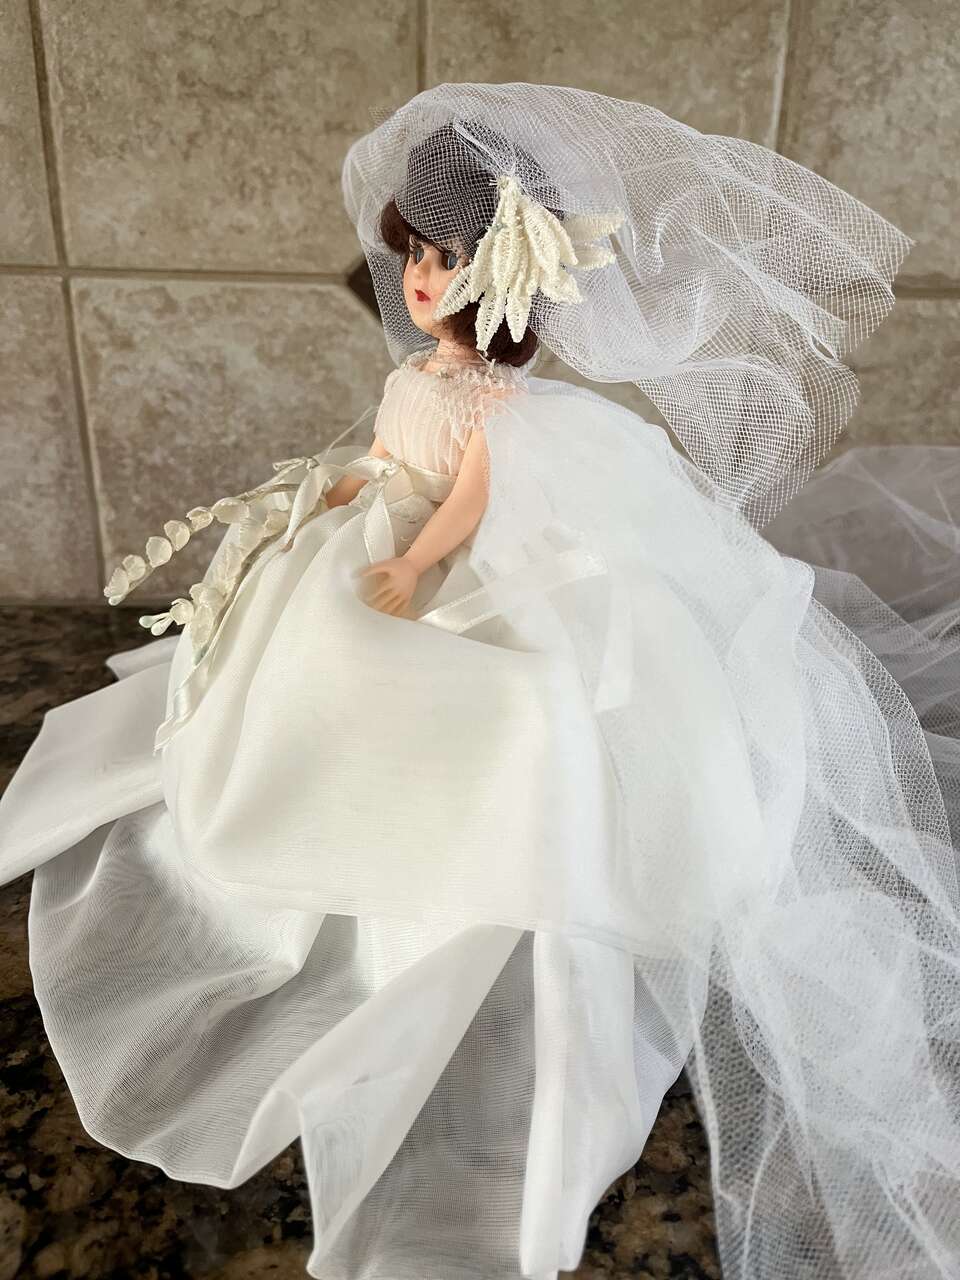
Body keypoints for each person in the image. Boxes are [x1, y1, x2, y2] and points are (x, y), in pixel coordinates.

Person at [1, 82, 958, 1280]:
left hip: (438, 567)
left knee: (479, 700)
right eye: (414, 252)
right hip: (377, 530)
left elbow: (465, 501)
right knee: (300, 653)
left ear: (504, 279)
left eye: (446, 260)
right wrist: (337, 495)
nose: (419, 279)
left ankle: (428, 845)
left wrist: (415, 562)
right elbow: (389, 452)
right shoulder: (417, 376)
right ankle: (286, 802)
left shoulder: (501, 408)